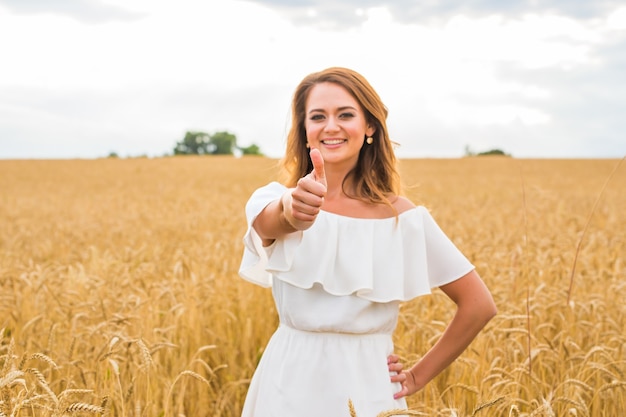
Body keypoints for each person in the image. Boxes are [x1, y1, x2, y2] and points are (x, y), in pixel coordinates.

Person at [238, 67, 497, 417]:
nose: (331, 126)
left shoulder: (402, 218)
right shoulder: (275, 198)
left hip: (370, 388)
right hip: (288, 383)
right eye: (317, 117)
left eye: (345, 114)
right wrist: (292, 209)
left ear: (370, 126)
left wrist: (418, 376)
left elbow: (479, 304)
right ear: (304, 130)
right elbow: (275, 219)